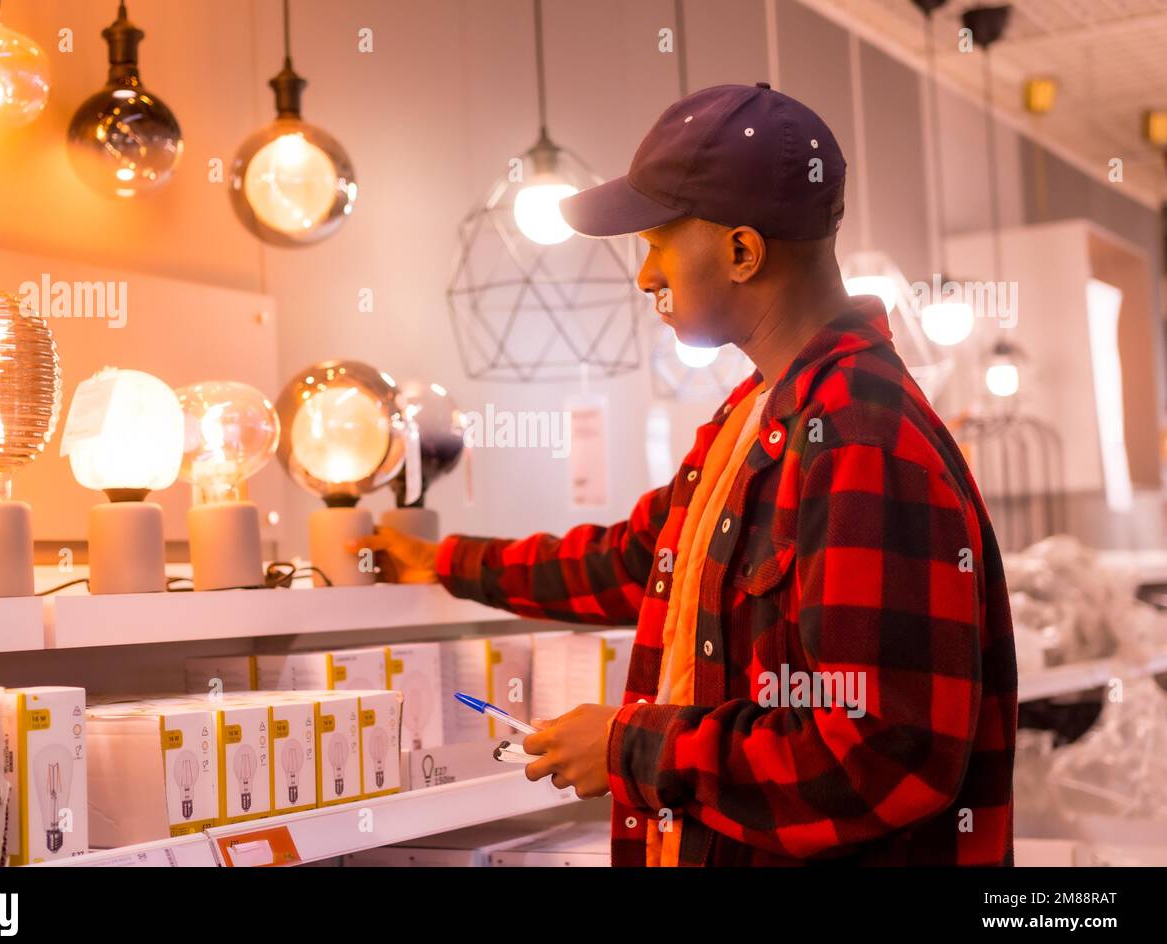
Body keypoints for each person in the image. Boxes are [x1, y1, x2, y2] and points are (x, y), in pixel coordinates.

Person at [356, 84, 1017, 866]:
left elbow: (879, 758)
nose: (644, 277)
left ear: (741, 252)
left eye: (658, 244)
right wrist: (441, 561)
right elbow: (636, 561)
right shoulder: (753, 415)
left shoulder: (857, 433)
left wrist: (633, 747)